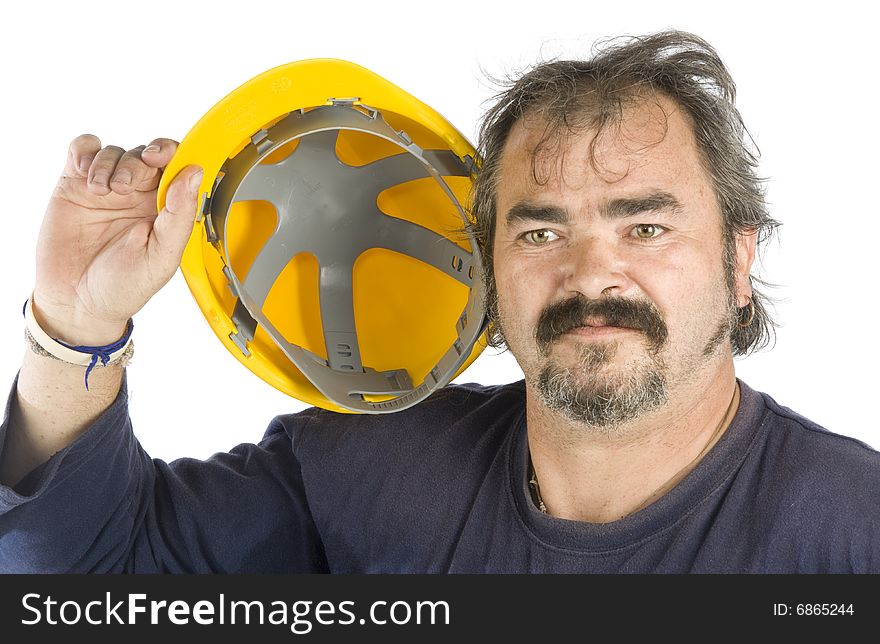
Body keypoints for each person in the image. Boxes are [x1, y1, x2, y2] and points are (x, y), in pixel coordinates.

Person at [1, 30, 878, 573]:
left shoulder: (852, 532)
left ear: (737, 258)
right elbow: (85, 581)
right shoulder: (367, 470)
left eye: (644, 227)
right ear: (485, 270)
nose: (589, 273)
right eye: (539, 233)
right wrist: (75, 325)